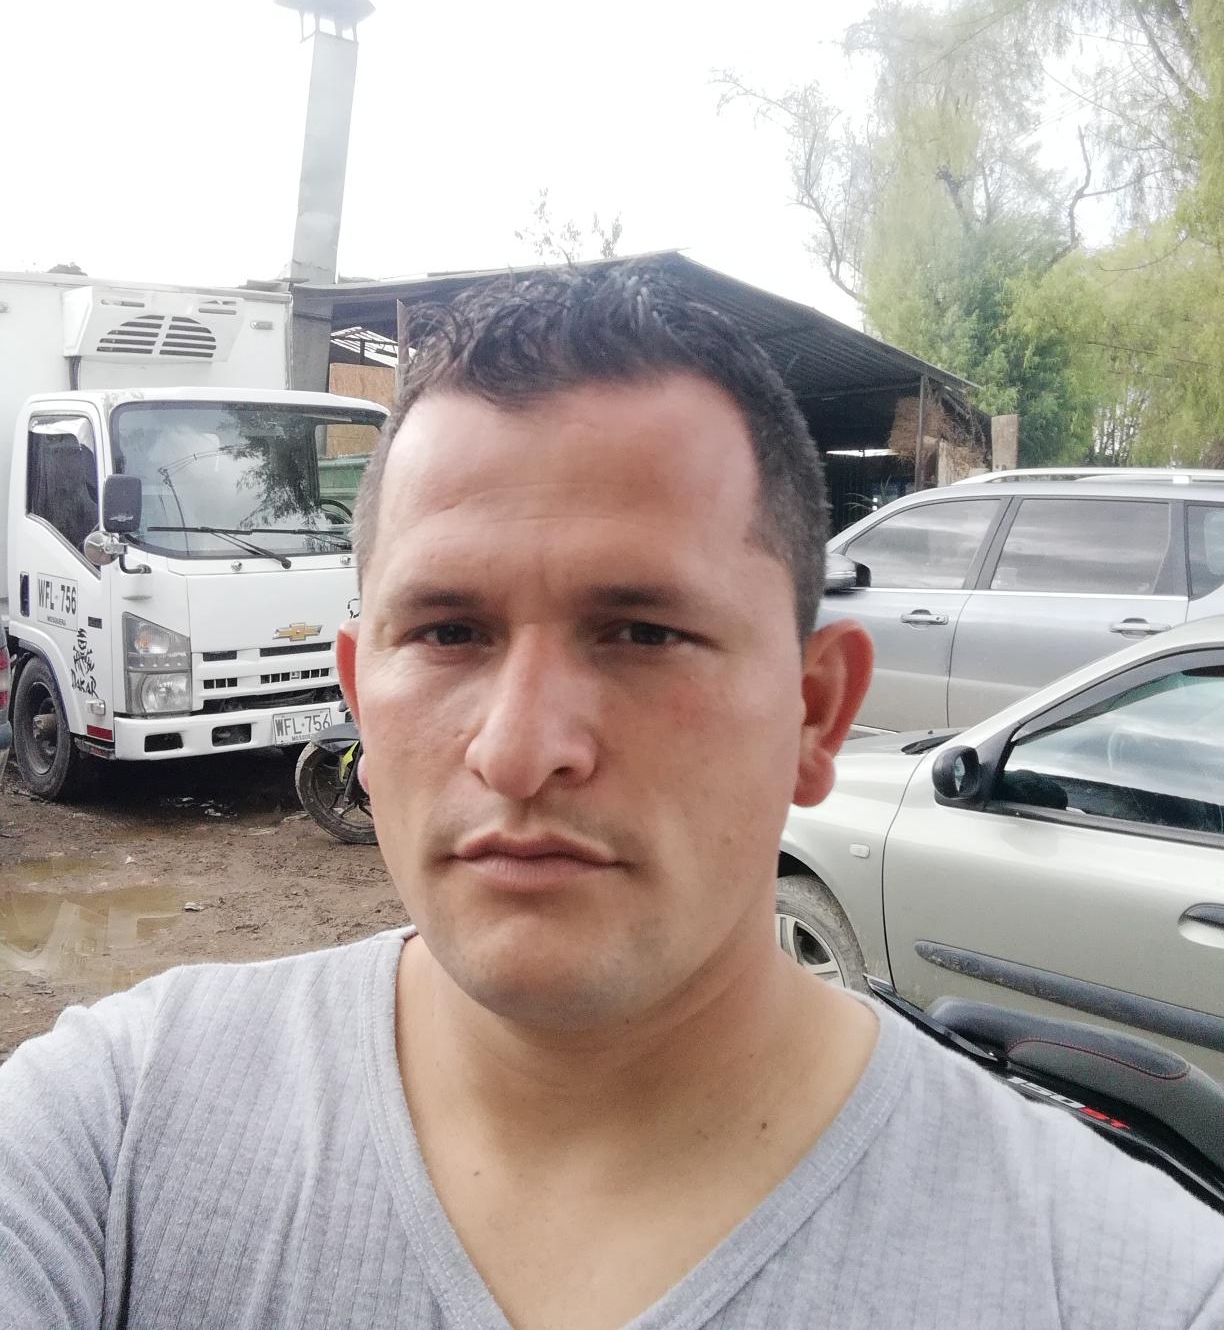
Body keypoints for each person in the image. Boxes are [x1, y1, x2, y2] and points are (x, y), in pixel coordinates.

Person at [1, 262, 1221, 1330]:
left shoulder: (1118, 1280)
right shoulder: (116, 1136)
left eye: (641, 632)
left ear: (815, 714)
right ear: (361, 701)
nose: (521, 750)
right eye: (449, 631)